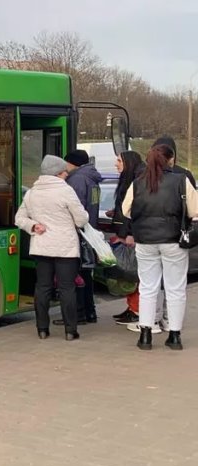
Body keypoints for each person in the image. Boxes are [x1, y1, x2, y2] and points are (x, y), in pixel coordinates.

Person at [122, 143, 198, 351]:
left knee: (147, 288)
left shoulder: (138, 183)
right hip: (173, 241)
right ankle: (174, 335)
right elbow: (194, 210)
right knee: (175, 288)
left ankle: (145, 335)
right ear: (171, 160)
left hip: (145, 241)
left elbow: (126, 210)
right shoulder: (181, 180)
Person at [15, 155, 89, 341]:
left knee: (43, 287)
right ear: (57, 173)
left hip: (41, 247)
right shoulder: (66, 191)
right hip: (65, 248)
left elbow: (19, 218)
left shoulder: (31, 193)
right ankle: (70, 331)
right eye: (64, 172)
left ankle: (42, 329)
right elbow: (81, 220)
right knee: (67, 289)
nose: (67, 174)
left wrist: (33, 226)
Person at [60, 148, 103, 325]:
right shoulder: (91, 178)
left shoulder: (76, 179)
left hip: (78, 232)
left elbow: (74, 209)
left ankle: (78, 314)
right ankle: (89, 311)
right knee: (85, 274)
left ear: (73, 163)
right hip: (89, 231)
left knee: (75, 274)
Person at [107, 150, 145, 325]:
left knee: (133, 273)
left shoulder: (135, 181)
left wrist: (130, 234)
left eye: (119, 161)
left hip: (131, 236)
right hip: (125, 233)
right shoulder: (128, 179)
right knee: (128, 273)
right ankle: (132, 308)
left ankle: (136, 310)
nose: (116, 164)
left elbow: (135, 211)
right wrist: (116, 213)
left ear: (129, 162)